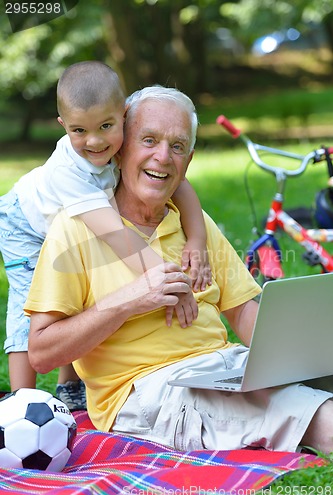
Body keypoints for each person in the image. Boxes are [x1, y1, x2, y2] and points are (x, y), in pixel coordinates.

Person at [26, 85, 333, 454]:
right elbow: (42, 353)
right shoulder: (75, 228)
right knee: (313, 414)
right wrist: (129, 300)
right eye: (149, 140)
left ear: (188, 160)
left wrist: (301, 351)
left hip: (224, 368)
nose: (163, 157)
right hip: (147, 389)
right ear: (120, 150)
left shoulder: (194, 225)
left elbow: (243, 312)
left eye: (177, 146)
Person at [0, 62, 211, 410]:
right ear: (62, 126)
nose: (95, 141)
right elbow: (116, 235)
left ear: (124, 116)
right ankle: (21, 402)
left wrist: (197, 241)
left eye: (106, 127)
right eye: (79, 131)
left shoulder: (121, 139)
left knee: (76, 290)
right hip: (26, 225)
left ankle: (69, 386)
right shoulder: (70, 173)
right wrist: (172, 282)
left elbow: (180, 184)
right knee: (32, 307)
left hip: (68, 222)